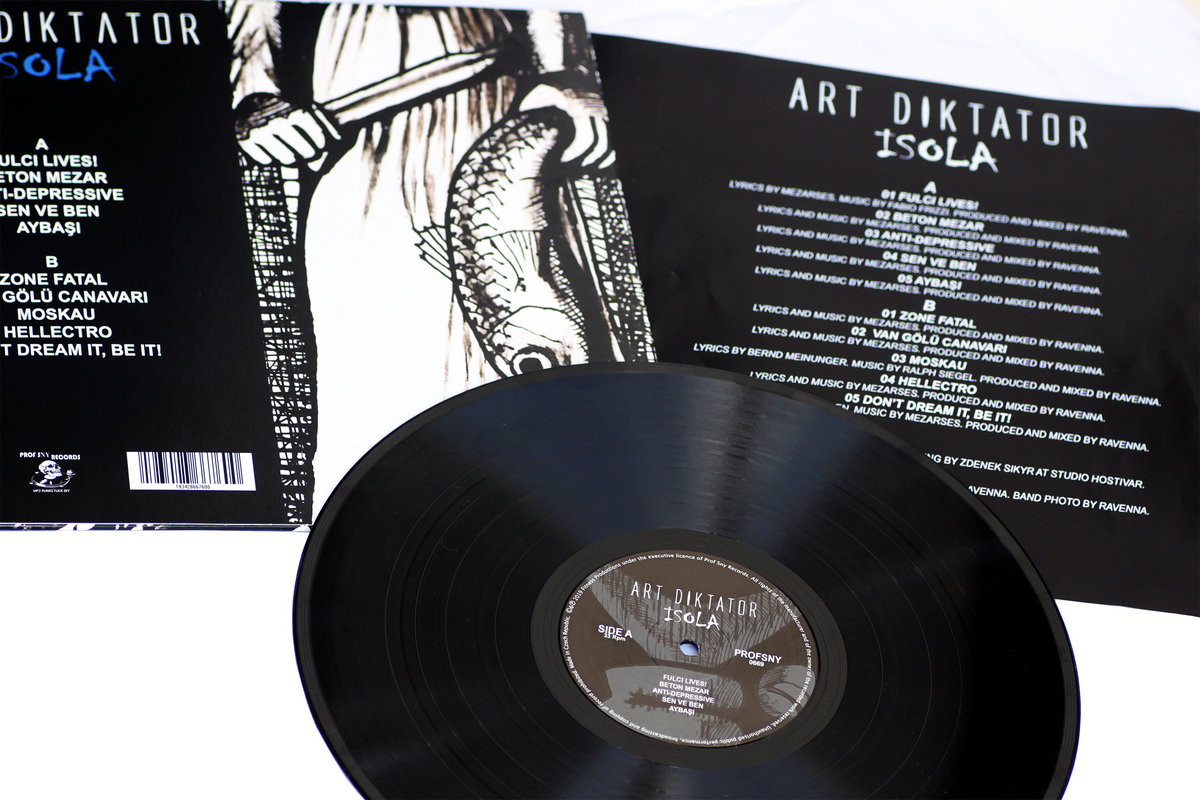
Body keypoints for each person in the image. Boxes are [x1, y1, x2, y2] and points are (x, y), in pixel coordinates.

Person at [225, 3, 644, 514]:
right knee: (374, 367)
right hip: (355, 106)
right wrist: (253, 92)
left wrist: (567, 72)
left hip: (500, 104)